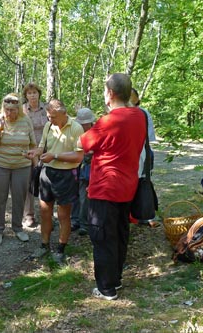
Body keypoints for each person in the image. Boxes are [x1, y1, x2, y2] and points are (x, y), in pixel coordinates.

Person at [78, 73, 146, 300]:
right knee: (119, 233)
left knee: (103, 237)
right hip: (127, 186)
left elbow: (84, 143)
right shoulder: (139, 116)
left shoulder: (109, 120)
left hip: (105, 188)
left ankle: (106, 288)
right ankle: (115, 280)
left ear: (110, 94)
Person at [28, 99, 84, 264]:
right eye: (48, 116)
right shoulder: (48, 126)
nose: (49, 120)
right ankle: (44, 245)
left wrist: (56, 156)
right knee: (45, 212)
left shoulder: (76, 128)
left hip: (66, 175)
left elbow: (79, 156)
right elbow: (43, 147)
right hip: (47, 173)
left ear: (64, 114)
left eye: (52, 117)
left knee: (63, 215)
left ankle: (60, 249)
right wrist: (35, 152)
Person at [0, 93, 36, 245]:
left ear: (19, 109)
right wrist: (0, 128)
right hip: (0, 165)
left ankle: (18, 228)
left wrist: (35, 162)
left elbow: (33, 144)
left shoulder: (26, 120)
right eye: (7, 109)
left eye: (13, 110)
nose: (9, 113)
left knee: (19, 197)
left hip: (22, 166)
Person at [129, 88, 158, 226]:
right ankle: (134, 215)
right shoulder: (141, 113)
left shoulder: (143, 114)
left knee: (141, 185)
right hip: (137, 155)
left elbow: (147, 139)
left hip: (141, 154)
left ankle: (140, 213)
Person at [22, 83, 48, 227]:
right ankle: (29, 215)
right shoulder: (22, 110)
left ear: (39, 94)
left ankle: (46, 214)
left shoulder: (47, 109)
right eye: (29, 93)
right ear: (26, 96)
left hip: (46, 150)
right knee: (29, 183)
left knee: (46, 182)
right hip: (29, 152)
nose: (32, 95)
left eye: (34, 92)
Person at [74, 108, 96, 236]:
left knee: (85, 198)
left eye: (85, 123)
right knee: (74, 196)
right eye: (81, 123)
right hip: (75, 167)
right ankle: (75, 220)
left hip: (88, 170)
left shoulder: (96, 132)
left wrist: (88, 153)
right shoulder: (76, 131)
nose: (83, 125)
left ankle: (84, 224)